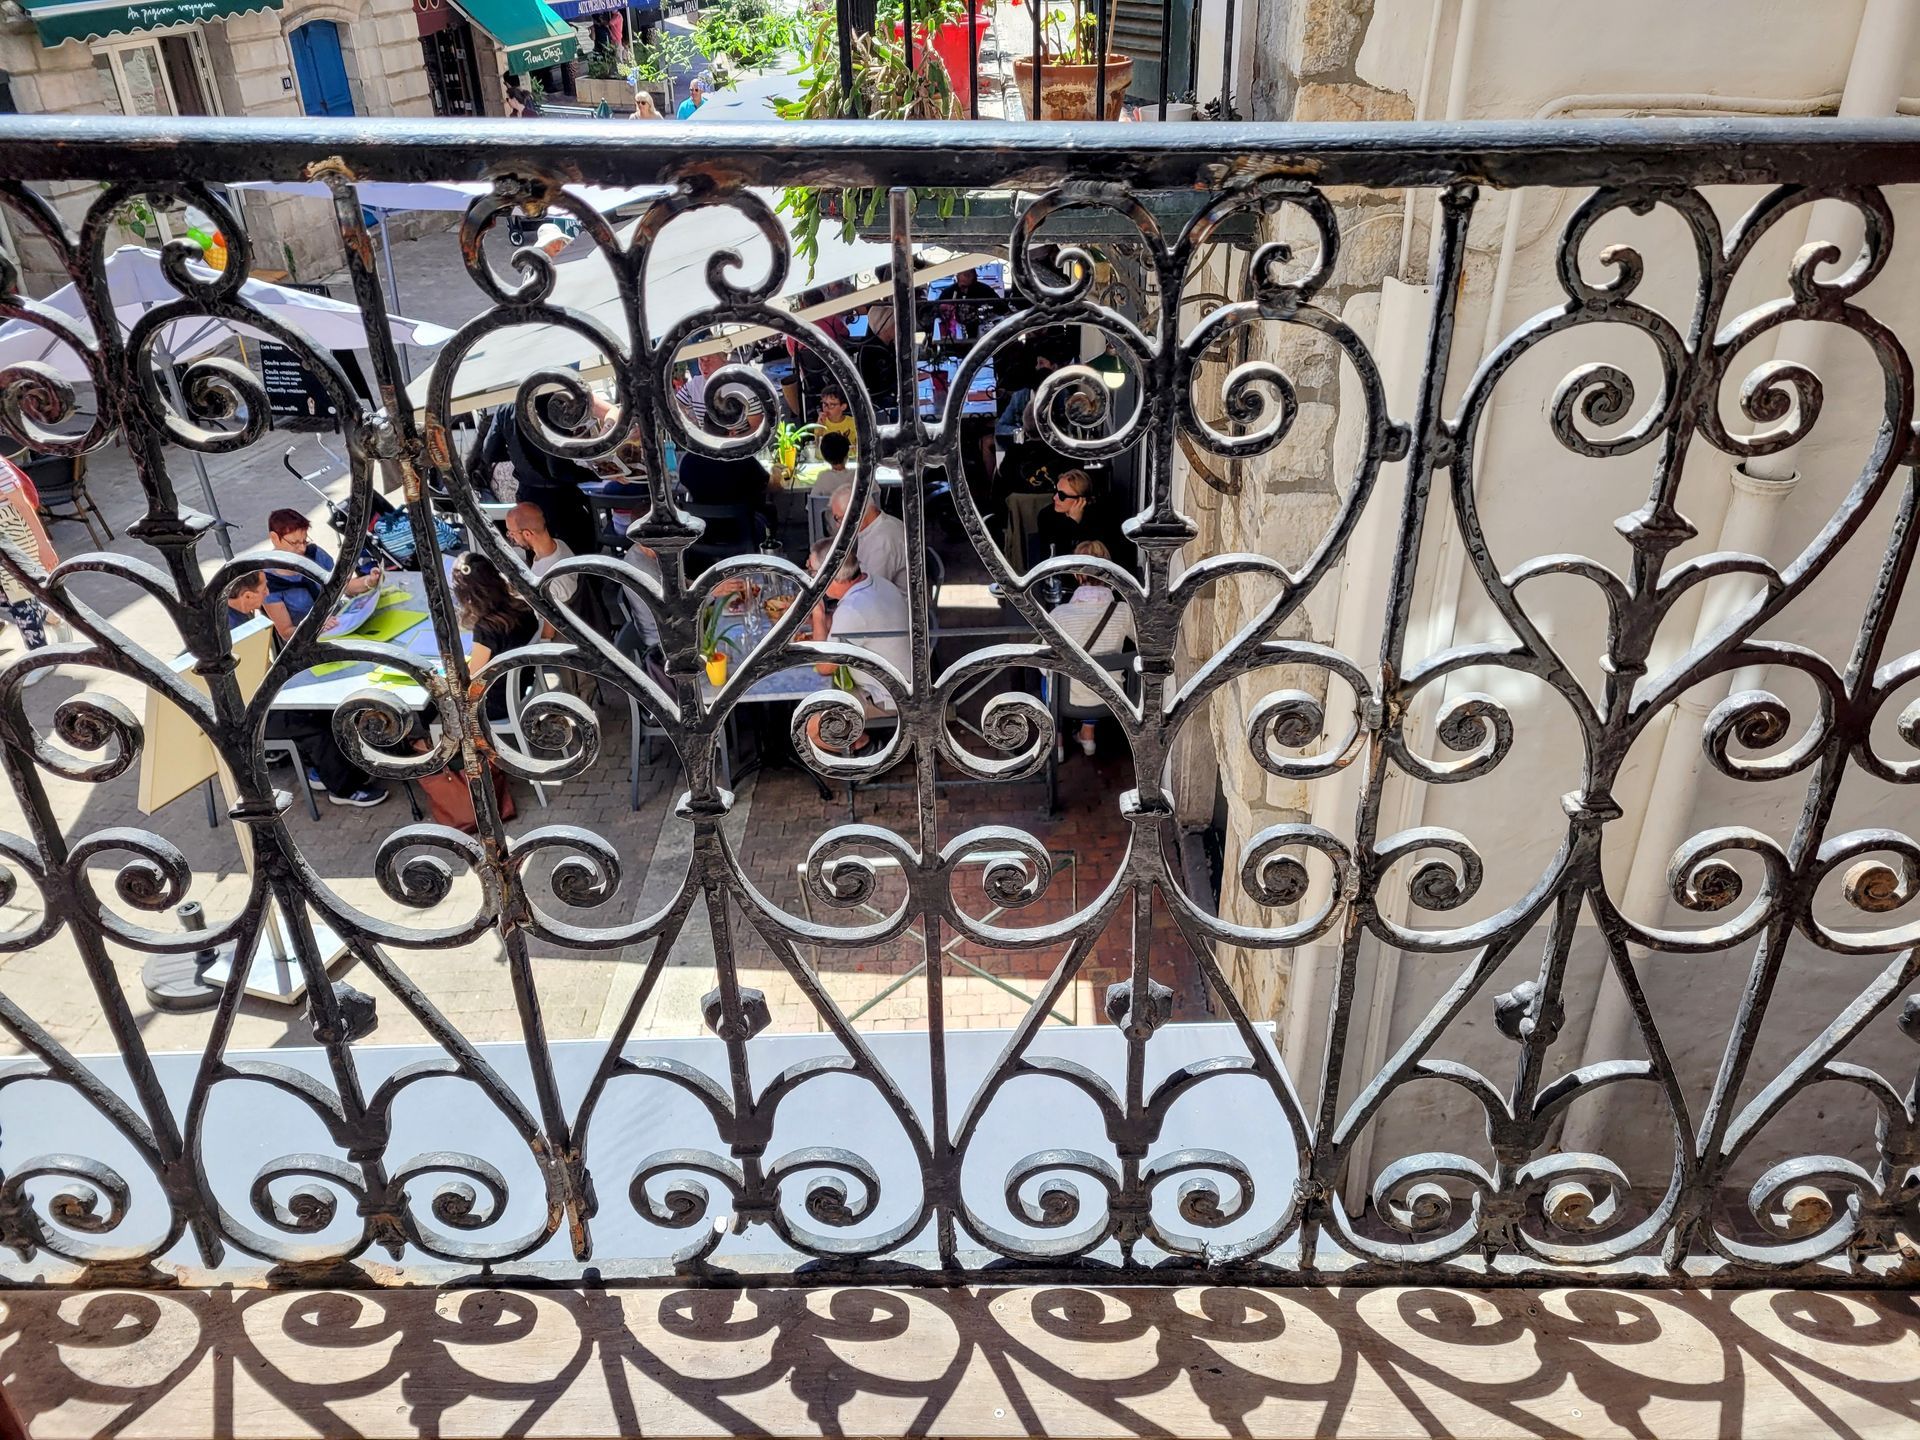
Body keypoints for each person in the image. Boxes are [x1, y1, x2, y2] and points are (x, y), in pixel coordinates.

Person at [224, 572, 387, 807]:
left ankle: (325, 771)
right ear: (247, 596)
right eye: (263, 589)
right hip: (248, 713)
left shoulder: (240, 613)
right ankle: (344, 790)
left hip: (265, 696)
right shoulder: (233, 630)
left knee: (326, 710)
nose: (268, 594)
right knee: (316, 726)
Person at [803, 538, 910, 750]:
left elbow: (824, 667)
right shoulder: (875, 581)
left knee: (811, 726)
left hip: (889, 697)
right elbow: (848, 626)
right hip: (907, 678)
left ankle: (865, 749)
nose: (810, 577)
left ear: (829, 576)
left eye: (812, 571)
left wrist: (818, 614)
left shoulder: (852, 610)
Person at [475, 402, 599, 559]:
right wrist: (596, 475)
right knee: (580, 557)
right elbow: (557, 469)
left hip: (528, 495)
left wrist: (518, 455)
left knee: (539, 558)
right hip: (561, 499)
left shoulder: (505, 407)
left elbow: (489, 453)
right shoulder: (550, 400)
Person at [1048, 541, 1135, 758]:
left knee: (1049, 676)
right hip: (1110, 698)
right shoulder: (1124, 611)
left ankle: (1058, 742)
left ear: (1077, 574)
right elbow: (1146, 644)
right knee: (1098, 675)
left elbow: (1044, 665)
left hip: (1067, 700)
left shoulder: (1059, 614)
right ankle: (1088, 734)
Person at [263, 507, 381, 643]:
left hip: (340, 621)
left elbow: (343, 585)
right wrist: (316, 625)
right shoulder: (268, 581)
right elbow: (286, 632)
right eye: (295, 543)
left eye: (304, 541)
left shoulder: (314, 554)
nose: (302, 548)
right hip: (309, 640)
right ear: (275, 538)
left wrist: (369, 581)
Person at [452, 552, 537, 724]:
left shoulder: (487, 628)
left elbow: (473, 677)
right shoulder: (522, 608)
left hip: (495, 703)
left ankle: (432, 735)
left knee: (438, 696)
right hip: (523, 684)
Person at [0, 455, 58, 680]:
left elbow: (23, 505)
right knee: (14, 598)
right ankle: (51, 615)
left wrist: (44, 545)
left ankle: (40, 658)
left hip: (15, 535)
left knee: (20, 599)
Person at [1036, 467, 1132, 570]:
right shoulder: (1047, 515)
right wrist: (1071, 523)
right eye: (1055, 491)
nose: (1055, 498)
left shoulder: (1100, 518)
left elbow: (1097, 555)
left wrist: (1076, 525)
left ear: (1081, 500)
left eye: (1062, 495)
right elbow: (1053, 556)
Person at [505, 502, 576, 638]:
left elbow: (548, 634)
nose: (510, 537)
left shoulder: (548, 581)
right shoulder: (559, 545)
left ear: (527, 534)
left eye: (511, 533)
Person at [829, 487, 909, 595]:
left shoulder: (881, 541)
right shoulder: (879, 524)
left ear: (856, 514)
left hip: (890, 601)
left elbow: (869, 590)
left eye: (838, 518)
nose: (837, 525)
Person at [812, 431, 855, 502]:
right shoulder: (857, 476)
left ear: (824, 457)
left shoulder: (823, 477)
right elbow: (873, 496)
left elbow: (813, 502)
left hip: (829, 509)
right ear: (847, 455)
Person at [814, 388, 857, 453]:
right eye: (825, 404)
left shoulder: (853, 423)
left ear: (843, 407)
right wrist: (820, 426)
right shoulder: (821, 423)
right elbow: (816, 447)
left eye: (832, 405)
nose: (827, 408)